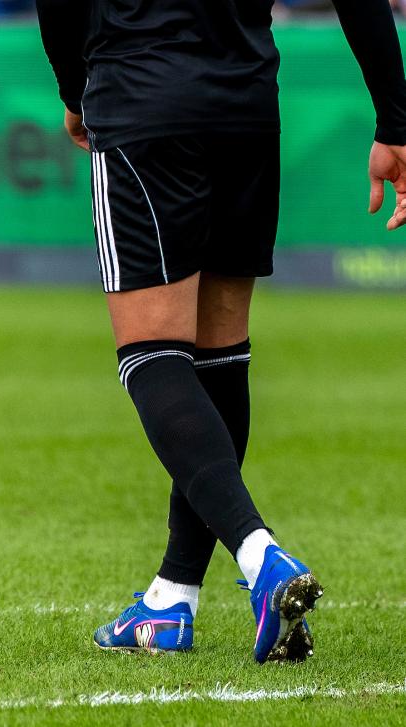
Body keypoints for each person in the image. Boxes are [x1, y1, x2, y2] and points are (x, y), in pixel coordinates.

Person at [34, 0, 406, 662]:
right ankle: (172, 598)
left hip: (143, 95)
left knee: (151, 355)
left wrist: (74, 88)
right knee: (220, 356)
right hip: (246, 106)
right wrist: (395, 118)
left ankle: (261, 556)